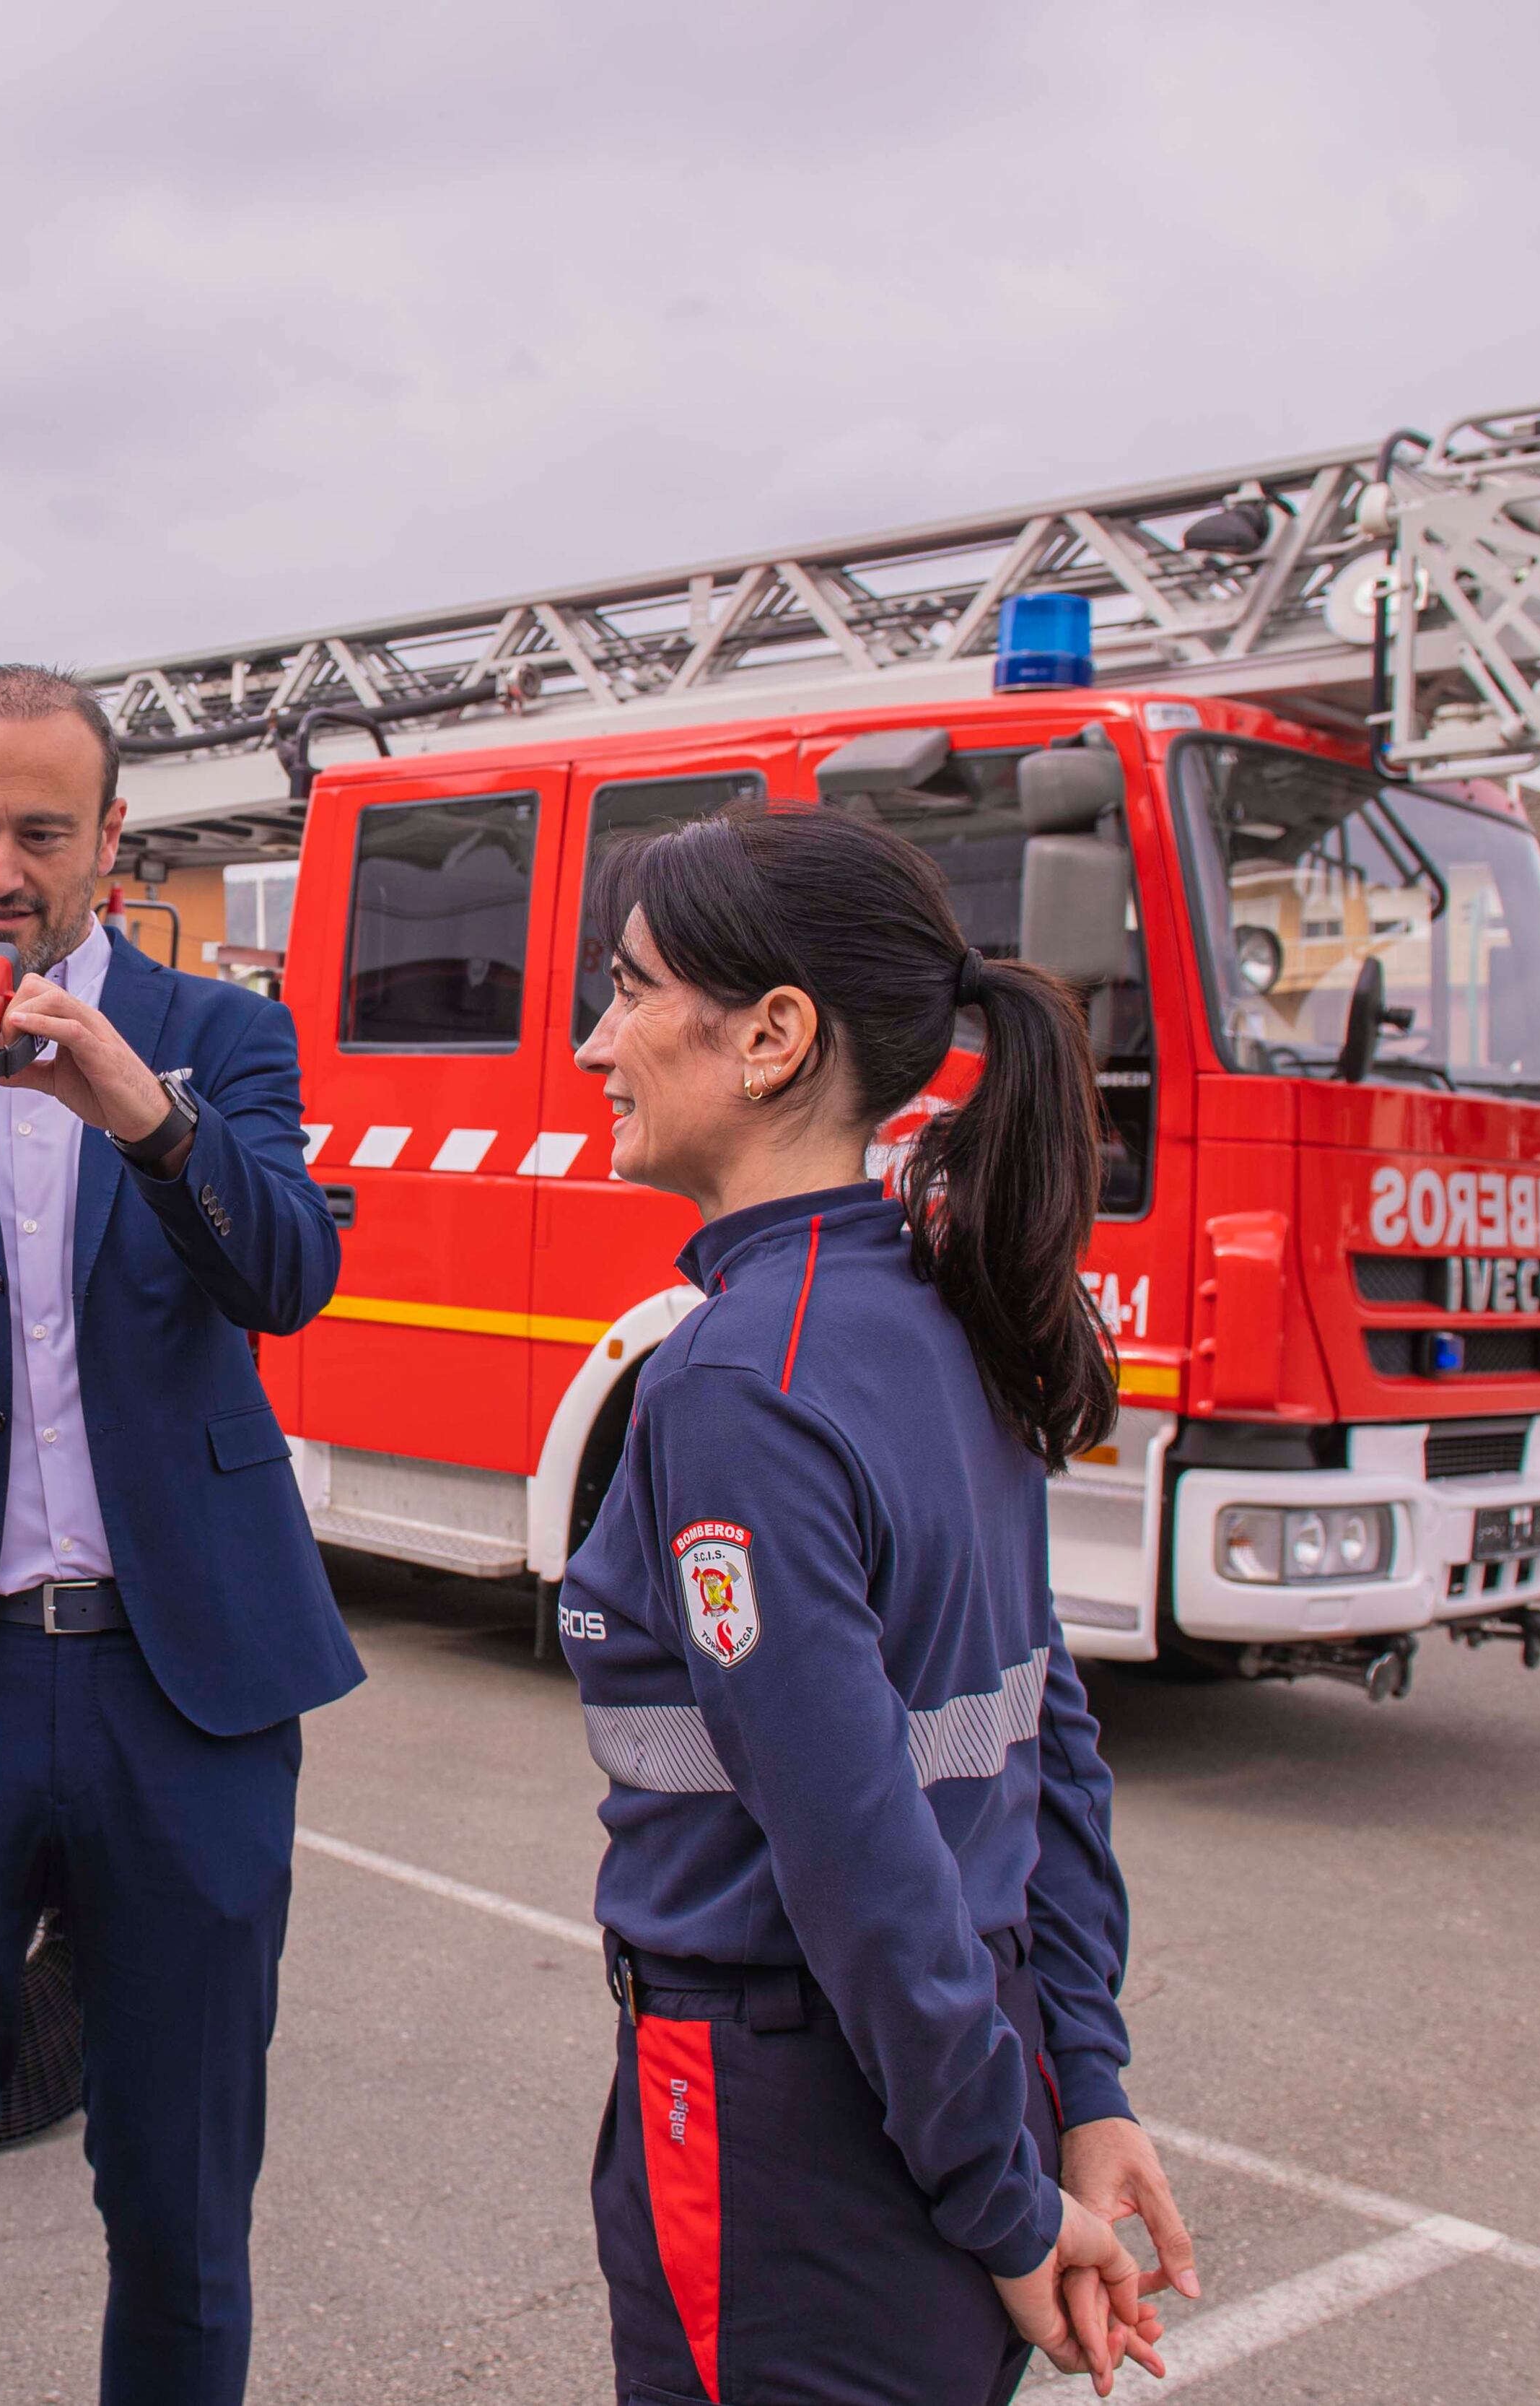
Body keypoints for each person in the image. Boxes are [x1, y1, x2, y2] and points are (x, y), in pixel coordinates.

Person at [558, 803, 1199, 2405]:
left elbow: (854, 1854)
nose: (592, 1043)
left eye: (629, 988)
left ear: (772, 1036)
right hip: (967, 2071)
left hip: (792, 2117)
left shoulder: (733, 1380)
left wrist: (1003, 2191)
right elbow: (1044, 1741)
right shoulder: (946, 1308)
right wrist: (1080, 2090)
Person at [0, 665, 363, 2406]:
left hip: (180, 1689)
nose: (2, 868)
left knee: (183, 2202)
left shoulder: (219, 1035)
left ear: (115, 839)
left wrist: (145, 1108)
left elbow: (290, 1273)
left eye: (43, 830)